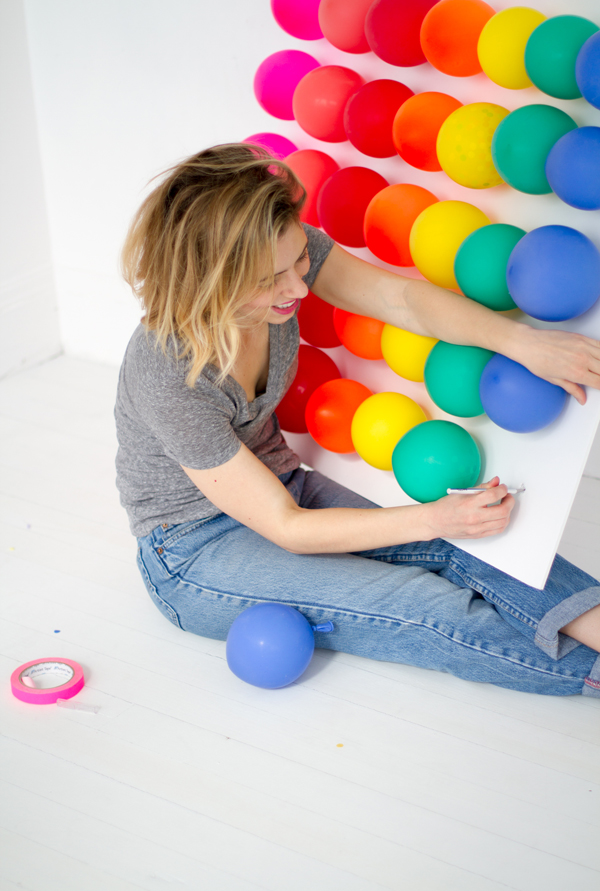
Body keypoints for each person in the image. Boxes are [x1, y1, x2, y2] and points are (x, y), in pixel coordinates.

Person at [115, 143, 600, 696]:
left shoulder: (281, 260)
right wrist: (433, 518)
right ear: (208, 280)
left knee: (475, 543)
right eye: (270, 280)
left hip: (284, 488)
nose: (298, 287)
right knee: (427, 606)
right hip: (195, 549)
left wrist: (522, 343)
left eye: (299, 260)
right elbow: (285, 528)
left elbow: (401, 300)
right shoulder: (168, 370)